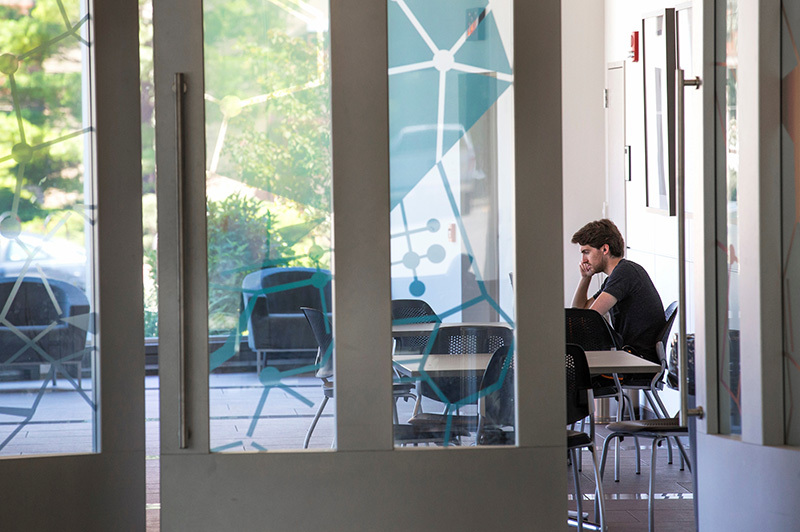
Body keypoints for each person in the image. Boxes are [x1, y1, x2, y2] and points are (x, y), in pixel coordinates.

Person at [571, 219, 665, 363]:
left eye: (586, 252)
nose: (583, 260)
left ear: (605, 249)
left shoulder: (625, 273)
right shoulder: (618, 274)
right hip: (631, 356)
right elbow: (579, 311)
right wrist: (585, 278)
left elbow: (587, 319)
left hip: (637, 359)